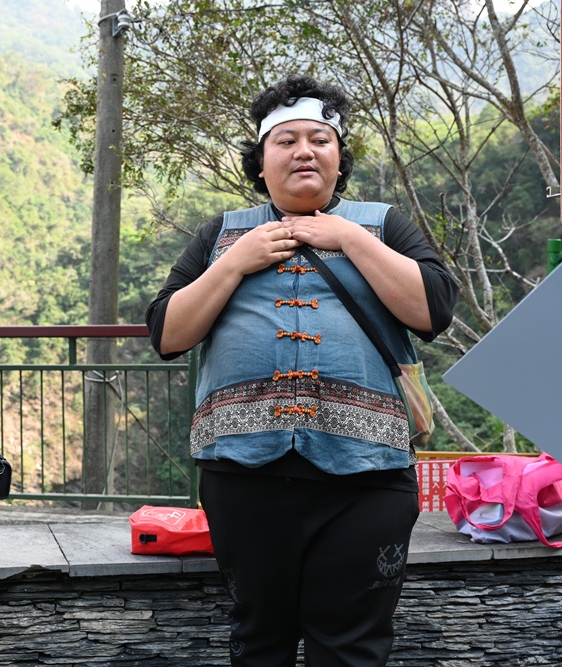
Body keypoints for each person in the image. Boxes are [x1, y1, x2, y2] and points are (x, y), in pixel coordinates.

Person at [146, 76, 457, 666]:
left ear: (340, 159)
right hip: (244, 475)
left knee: (351, 648)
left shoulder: (383, 225)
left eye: (320, 139)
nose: (304, 151)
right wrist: (233, 265)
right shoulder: (222, 233)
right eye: (285, 140)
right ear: (260, 164)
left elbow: (431, 310)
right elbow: (168, 334)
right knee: (258, 641)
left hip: (366, 479)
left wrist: (345, 237)